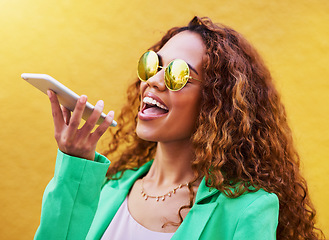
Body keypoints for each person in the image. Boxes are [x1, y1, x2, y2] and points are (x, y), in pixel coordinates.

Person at [34, 16, 324, 240]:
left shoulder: (247, 209)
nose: (155, 81)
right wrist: (75, 163)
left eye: (177, 74)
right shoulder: (107, 189)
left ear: (216, 101)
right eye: (153, 65)